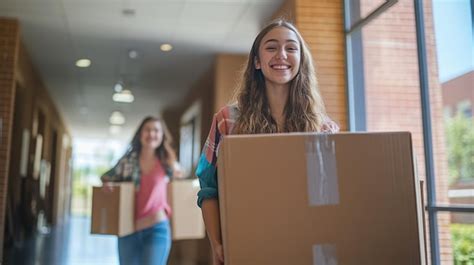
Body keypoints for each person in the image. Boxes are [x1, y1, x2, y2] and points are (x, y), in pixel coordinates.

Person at [195, 19, 340, 265]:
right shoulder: (227, 121)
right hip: (248, 243)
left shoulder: (324, 129)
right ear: (257, 61)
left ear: (301, 60)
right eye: (271, 47)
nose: (281, 55)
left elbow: (330, 200)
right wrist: (217, 244)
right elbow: (209, 189)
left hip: (305, 246)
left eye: (291, 48)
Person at [101, 116, 183, 265]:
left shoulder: (168, 162)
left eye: (156, 130)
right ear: (140, 134)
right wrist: (109, 186)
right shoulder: (128, 161)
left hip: (157, 229)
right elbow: (107, 177)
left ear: (162, 136)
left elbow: (180, 185)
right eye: (147, 130)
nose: (151, 134)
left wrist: (179, 176)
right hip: (128, 230)